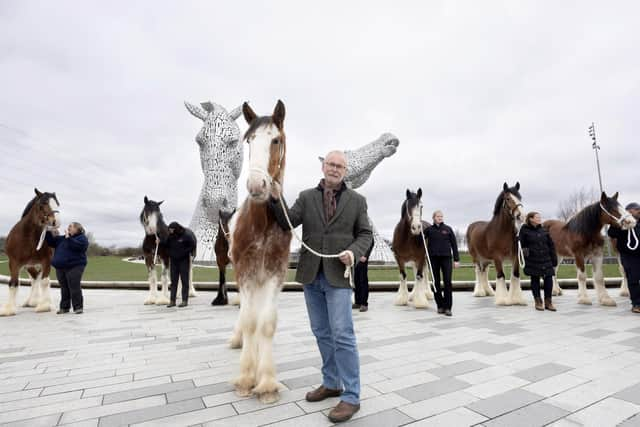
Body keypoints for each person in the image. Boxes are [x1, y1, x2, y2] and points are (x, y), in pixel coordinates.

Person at [270, 150, 373, 423]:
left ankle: (351, 396)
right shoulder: (306, 197)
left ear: (345, 170)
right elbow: (286, 221)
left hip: (338, 275)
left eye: (340, 166)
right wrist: (275, 196)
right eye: (331, 164)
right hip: (311, 275)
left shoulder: (357, 201)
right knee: (321, 332)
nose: (335, 169)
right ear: (323, 166)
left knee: (342, 334)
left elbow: (365, 234)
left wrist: (353, 252)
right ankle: (331, 382)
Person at [45, 222, 89, 314]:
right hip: (61, 267)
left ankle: (78, 307)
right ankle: (64, 308)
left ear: (77, 229)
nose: (68, 228)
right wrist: (48, 231)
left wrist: (68, 238)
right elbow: (50, 242)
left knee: (74, 286)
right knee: (64, 287)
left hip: (75, 266)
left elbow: (77, 246)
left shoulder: (82, 238)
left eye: (71, 226)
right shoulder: (62, 238)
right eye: (68, 226)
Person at [519, 212, 558, 311]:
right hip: (533, 259)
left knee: (549, 279)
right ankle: (538, 301)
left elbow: (551, 244)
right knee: (535, 279)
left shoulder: (544, 229)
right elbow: (520, 243)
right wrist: (525, 251)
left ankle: (548, 302)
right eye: (537, 217)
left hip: (546, 258)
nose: (540, 219)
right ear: (531, 219)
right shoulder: (524, 230)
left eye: (540, 217)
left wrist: (554, 258)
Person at [424, 211, 460, 316]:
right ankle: (440, 306)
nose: (440, 218)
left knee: (447, 282)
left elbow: (454, 245)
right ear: (433, 218)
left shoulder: (448, 229)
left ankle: (448, 307)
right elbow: (419, 240)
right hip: (433, 259)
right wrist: (418, 234)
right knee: (436, 283)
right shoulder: (429, 230)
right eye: (438, 216)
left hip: (446, 259)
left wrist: (456, 260)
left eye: (441, 216)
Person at [608, 202, 640, 313]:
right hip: (629, 256)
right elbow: (611, 233)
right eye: (630, 211)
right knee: (633, 279)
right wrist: (620, 224)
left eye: (635, 210)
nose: (635, 212)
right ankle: (636, 304)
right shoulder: (622, 223)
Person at [161, 222, 197, 308]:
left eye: (171, 229)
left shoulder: (186, 235)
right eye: (169, 229)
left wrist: (186, 252)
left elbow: (192, 245)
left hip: (184, 261)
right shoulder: (170, 236)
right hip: (173, 261)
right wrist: (161, 243)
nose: (170, 231)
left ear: (176, 228)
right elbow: (165, 245)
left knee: (185, 281)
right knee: (174, 282)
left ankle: (184, 301)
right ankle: (172, 301)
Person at [353, 240, 375, 312]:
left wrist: (366, 255)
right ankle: (358, 302)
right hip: (354, 258)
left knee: (363, 281)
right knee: (356, 281)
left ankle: (364, 304)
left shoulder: (366, 230)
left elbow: (371, 242)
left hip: (362, 258)